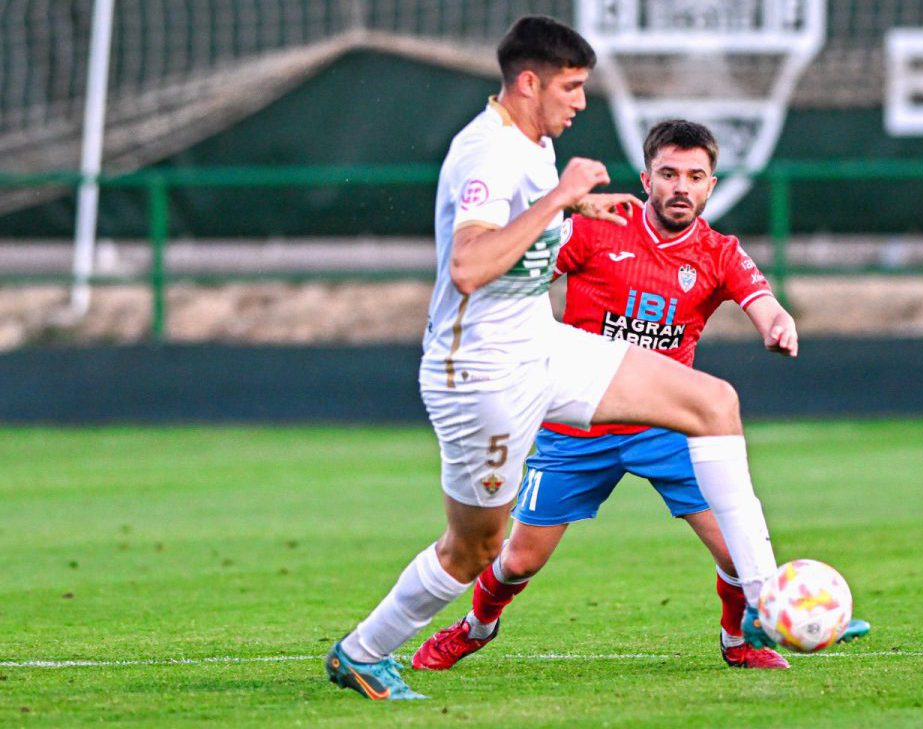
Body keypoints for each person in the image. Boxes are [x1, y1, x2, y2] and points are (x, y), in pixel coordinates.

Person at [325, 16, 783, 701]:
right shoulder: (490, 154)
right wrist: (562, 199)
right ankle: (362, 651)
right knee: (475, 549)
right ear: (529, 82)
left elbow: (526, 239)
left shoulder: (534, 143)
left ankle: (767, 599)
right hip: (480, 374)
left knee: (712, 400)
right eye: (571, 87)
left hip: (540, 345)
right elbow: (470, 265)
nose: (581, 102)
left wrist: (576, 208)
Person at [410, 120, 870, 674]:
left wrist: (777, 322)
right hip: (578, 425)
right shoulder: (600, 229)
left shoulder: (719, 252)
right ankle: (475, 627)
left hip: (666, 424)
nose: (682, 186)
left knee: (734, 551)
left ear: (711, 186)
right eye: (669, 174)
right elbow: (523, 282)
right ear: (647, 177)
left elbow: (761, 298)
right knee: (516, 559)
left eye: (695, 176)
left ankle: (740, 639)